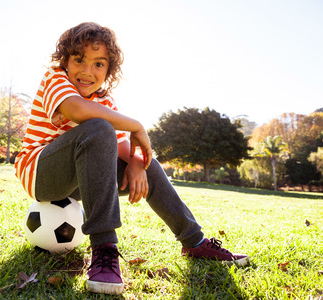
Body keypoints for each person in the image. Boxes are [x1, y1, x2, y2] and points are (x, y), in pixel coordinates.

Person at [15, 22, 250, 295]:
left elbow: (122, 146)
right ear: (65, 60)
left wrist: (138, 163)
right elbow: (77, 110)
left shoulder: (106, 101)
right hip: (40, 173)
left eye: (99, 64)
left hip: (81, 179)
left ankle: (194, 241)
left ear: (109, 69)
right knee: (98, 126)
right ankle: (104, 249)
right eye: (79, 59)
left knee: (147, 164)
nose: (87, 71)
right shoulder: (56, 79)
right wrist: (136, 125)